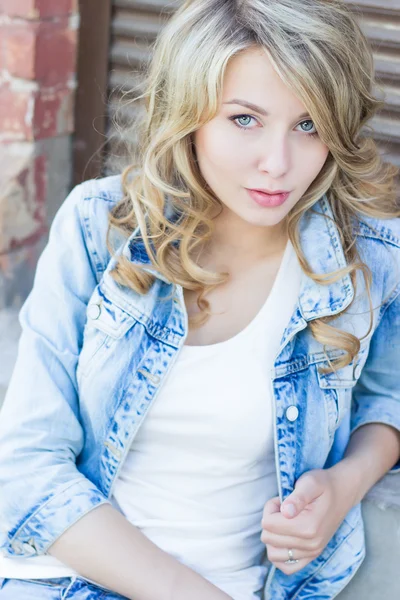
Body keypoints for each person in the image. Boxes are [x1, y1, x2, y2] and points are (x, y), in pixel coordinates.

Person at [0, 0, 399, 598]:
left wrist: (344, 483)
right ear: (187, 115)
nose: (278, 164)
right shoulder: (99, 226)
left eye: (308, 124)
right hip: (72, 578)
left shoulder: (368, 256)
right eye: (244, 119)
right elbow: (28, 467)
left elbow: (388, 398)